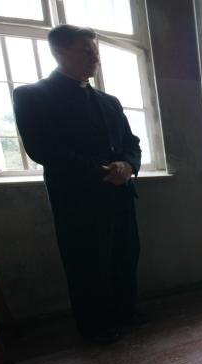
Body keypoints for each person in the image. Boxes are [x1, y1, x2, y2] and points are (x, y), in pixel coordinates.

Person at [12, 24, 146, 345]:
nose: (95, 56)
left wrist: (128, 165)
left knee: (124, 255)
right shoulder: (33, 95)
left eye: (96, 50)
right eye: (86, 50)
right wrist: (105, 170)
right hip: (78, 198)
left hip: (119, 192)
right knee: (86, 262)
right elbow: (43, 150)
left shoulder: (109, 101)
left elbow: (132, 142)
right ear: (59, 52)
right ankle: (95, 326)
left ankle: (125, 311)